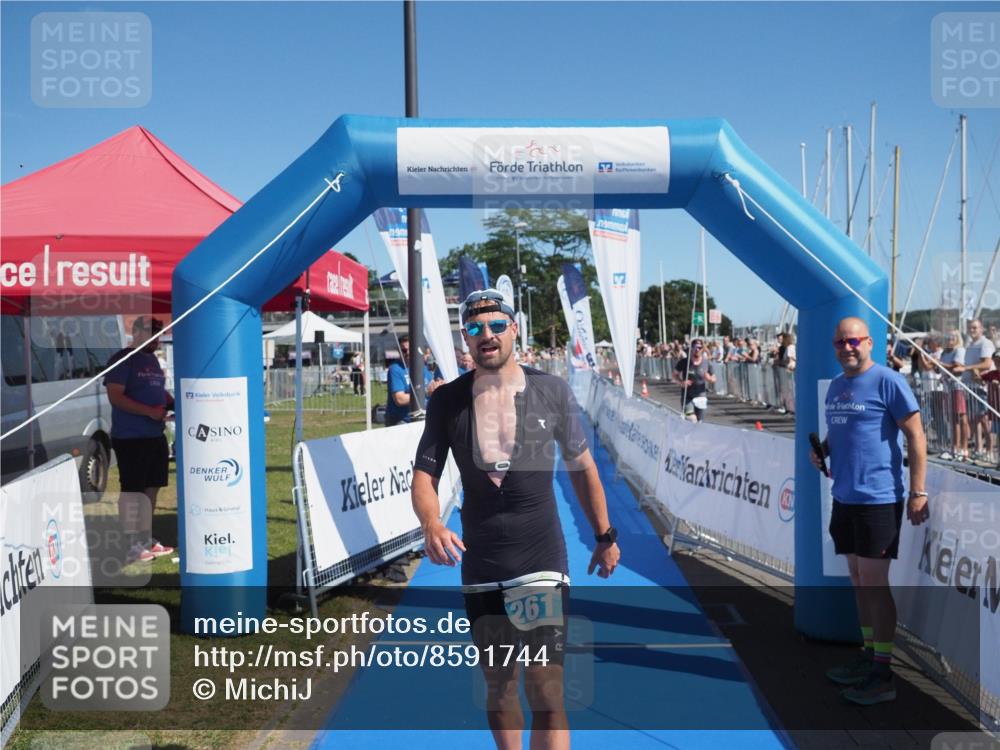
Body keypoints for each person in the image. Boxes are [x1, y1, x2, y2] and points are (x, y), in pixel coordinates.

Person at [411, 288, 620, 750]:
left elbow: (583, 469)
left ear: (514, 330)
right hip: (483, 564)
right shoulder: (448, 402)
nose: (486, 335)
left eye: (496, 326)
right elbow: (423, 477)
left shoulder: (551, 390)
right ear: (465, 339)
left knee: (546, 689)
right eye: (474, 328)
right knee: (500, 686)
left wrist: (604, 536)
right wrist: (431, 524)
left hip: (540, 557)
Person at [810, 317, 928, 706]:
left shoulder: (889, 381)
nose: (847, 348)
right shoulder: (839, 387)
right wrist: (823, 451)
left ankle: (883, 674)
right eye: (840, 342)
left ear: (870, 343)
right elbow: (840, 432)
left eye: (854, 341)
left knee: (876, 587)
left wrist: (918, 492)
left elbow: (915, 435)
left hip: (879, 499)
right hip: (845, 497)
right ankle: (868, 656)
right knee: (860, 581)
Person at [104, 317, 175, 564]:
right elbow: (115, 396)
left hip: (155, 435)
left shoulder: (153, 360)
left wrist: (172, 403)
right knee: (132, 492)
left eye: (159, 335)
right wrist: (148, 411)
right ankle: (130, 544)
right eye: (154, 335)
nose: (158, 340)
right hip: (131, 437)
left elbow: (157, 390)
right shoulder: (123, 359)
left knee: (151, 490)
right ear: (138, 334)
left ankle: (145, 539)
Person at [953, 319, 996, 461]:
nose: (972, 330)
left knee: (984, 420)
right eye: (970, 328)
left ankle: (989, 451)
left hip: (980, 387)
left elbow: (987, 363)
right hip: (970, 387)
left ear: (981, 328)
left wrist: (966, 368)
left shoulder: (985, 343)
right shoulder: (971, 345)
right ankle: (979, 449)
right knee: (975, 420)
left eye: (975, 328)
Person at [938, 330, 967, 460]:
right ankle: (954, 448)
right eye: (947, 338)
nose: (949, 340)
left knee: (960, 417)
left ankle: (963, 448)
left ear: (957, 339)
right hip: (947, 388)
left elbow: (956, 367)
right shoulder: (945, 352)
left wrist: (939, 363)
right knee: (952, 418)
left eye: (952, 338)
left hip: (957, 387)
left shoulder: (959, 350)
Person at [672, 338, 716, 422]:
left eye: (700, 347)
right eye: (695, 347)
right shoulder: (685, 362)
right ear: (691, 348)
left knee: (699, 422)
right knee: (692, 419)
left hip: (701, 396)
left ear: (702, 349)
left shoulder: (707, 363)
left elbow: (714, 378)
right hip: (687, 396)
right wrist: (681, 382)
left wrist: (709, 379)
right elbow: (674, 375)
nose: (697, 349)